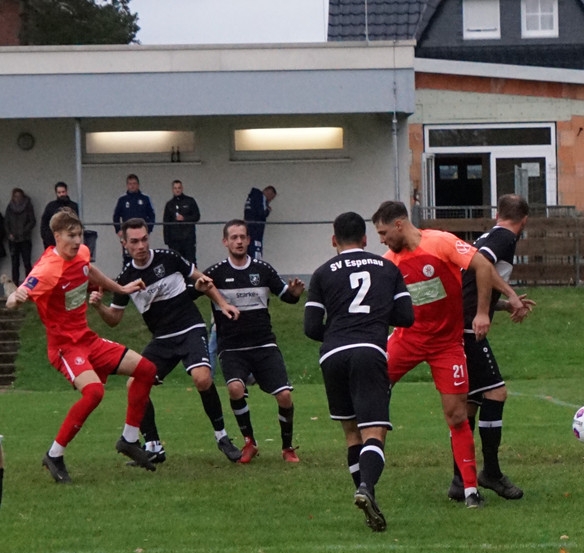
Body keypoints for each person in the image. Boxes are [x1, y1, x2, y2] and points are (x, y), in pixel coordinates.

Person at [371, 200, 527, 509]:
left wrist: (483, 312)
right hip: (408, 339)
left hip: (447, 343)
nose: (382, 240)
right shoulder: (389, 263)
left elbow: (482, 266)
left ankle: (469, 489)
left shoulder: (440, 242)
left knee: (457, 413)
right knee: (371, 384)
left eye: (384, 233)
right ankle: (365, 475)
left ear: (399, 225)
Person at [5, 210, 158, 482]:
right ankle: (54, 454)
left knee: (146, 369)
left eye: (80, 235)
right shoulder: (46, 270)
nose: (78, 241)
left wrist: (121, 289)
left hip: (87, 339)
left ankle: (129, 439)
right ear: (57, 236)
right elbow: (13, 301)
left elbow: (89, 271)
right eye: (71, 236)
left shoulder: (82, 253)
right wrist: (16, 297)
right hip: (64, 347)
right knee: (94, 392)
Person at [89, 218, 244, 464]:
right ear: (124, 244)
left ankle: (222, 437)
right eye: (134, 242)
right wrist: (99, 307)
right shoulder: (126, 277)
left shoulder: (168, 258)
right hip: (162, 339)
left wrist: (223, 304)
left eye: (144, 239)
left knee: (202, 378)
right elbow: (114, 320)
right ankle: (153, 446)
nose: (141, 246)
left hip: (190, 328)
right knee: (134, 384)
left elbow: (203, 280)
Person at [304, 211, 414, 531]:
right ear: (365, 239)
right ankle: (366, 487)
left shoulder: (322, 273)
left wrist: (338, 334)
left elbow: (311, 327)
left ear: (334, 240)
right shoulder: (388, 268)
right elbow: (406, 317)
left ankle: (368, 497)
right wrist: (375, 319)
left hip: (333, 355)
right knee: (374, 432)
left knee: (352, 433)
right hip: (369, 352)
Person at [447, 194, 535, 502]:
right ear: (524, 221)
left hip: (459, 323)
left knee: (470, 404)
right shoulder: (505, 238)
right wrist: (509, 295)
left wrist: (500, 305)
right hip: (467, 329)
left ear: (498, 214)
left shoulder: (488, 236)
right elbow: (482, 265)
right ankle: (491, 473)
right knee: (496, 393)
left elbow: (471, 283)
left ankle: (460, 480)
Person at [202, 219, 304, 464]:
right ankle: (250, 442)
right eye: (234, 237)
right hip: (232, 347)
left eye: (242, 237)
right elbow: (189, 292)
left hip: (264, 344)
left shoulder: (263, 269)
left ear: (248, 240)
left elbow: (287, 296)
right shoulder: (215, 273)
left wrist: (295, 293)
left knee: (284, 396)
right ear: (225, 242)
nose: (238, 241)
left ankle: (287, 448)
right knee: (235, 389)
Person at [112, 174, 155, 265]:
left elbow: (152, 215)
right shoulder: (122, 199)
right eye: (130, 184)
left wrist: (148, 230)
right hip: (128, 234)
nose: (132, 186)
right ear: (127, 185)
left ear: (138, 185)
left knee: (143, 256)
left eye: (134, 183)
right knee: (127, 257)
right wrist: (118, 230)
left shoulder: (145, 199)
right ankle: (127, 274)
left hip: (141, 234)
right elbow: (116, 216)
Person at [162, 179, 201, 266]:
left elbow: (197, 216)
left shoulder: (190, 201)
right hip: (174, 240)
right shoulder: (169, 204)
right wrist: (167, 240)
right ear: (172, 190)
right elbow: (166, 223)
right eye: (175, 188)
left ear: (182, 188)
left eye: (179, 188)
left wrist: (185, 218)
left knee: (190, 262)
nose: (177, 190)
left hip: (188, 239)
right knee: (175, 263)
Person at [4, 188, 36, 286]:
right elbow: (6, 222)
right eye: (15, 196)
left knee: (27, 263)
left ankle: (29, 285)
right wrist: (9, 233)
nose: (17, 198)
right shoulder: (10, 207)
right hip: (13, 240)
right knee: (14, 264)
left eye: (19, 196)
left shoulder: (28, 206)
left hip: (25, 239)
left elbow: (32, 221)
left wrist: (23, 231)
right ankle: (15, 285)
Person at [40, 181, 79, 250]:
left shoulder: (73, 206)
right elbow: (44, 223)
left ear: (66, 191)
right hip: (52, 241)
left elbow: (77, 223)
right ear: (56, 193)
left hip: (69, 241)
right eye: (59, 192)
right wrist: (47, 238)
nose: (61, 194)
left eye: (63, 192)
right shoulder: (51, 206)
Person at [243, 185, 276, 261]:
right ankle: (256, 266)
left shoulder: (251, 197)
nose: (270, 200)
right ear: (269, 192)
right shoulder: (261, 197)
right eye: (272, 197)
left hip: (248, 228)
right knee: (256, 251)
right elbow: (262, 213)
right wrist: (268, 210)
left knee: (248, 249)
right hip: (256, 230)